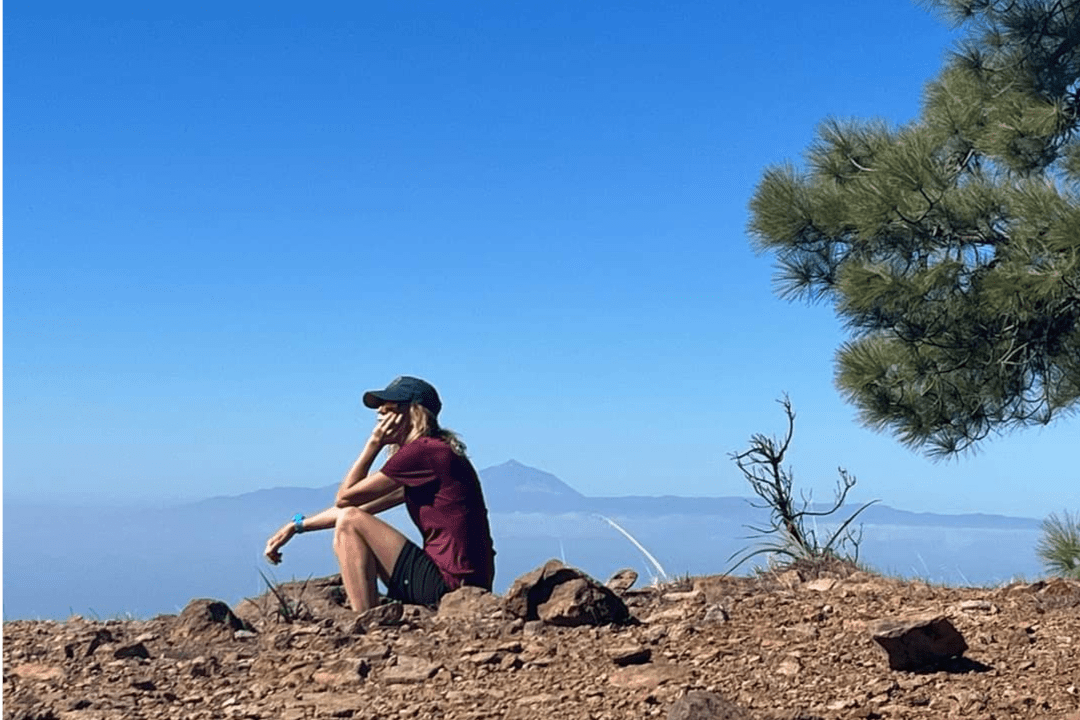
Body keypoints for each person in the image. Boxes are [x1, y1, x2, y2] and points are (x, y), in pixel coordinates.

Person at [263, 376, 495, 612]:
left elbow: (345, 499)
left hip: (449, 585)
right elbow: (363, 506)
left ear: (413, 412)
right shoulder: (436, 453)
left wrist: (374, 443)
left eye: (389, 409)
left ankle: (365, 620)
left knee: (348, 523)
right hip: (467, 583)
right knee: (350, 519)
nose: (380, 415)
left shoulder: (423, 451)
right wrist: (297, 526)